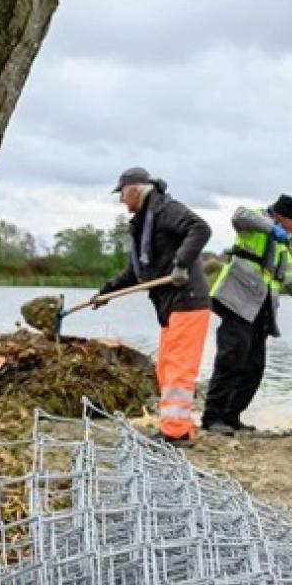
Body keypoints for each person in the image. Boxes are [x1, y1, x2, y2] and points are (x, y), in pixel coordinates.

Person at [204, 194, 292, 434]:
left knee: (254, 366)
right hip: (237, 300)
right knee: (232, 358)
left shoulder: (283, 248)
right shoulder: (254, 220)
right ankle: (212, 417)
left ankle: (231, 416)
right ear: (280, 217)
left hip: (261, 312)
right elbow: (239, 215)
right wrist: (271, 228)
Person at [96, 167, 212, 443]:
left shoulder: (166, 210)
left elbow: (200, 229)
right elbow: (136, 273)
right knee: (165, 367)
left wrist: (181, 264)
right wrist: (106, 292)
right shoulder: (142, 222)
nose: (121, 200)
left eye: (122, 194)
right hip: (170, 304)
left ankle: (176, 432)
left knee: (179, 368)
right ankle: (176, 424)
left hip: (189, 301)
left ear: (135, 190)